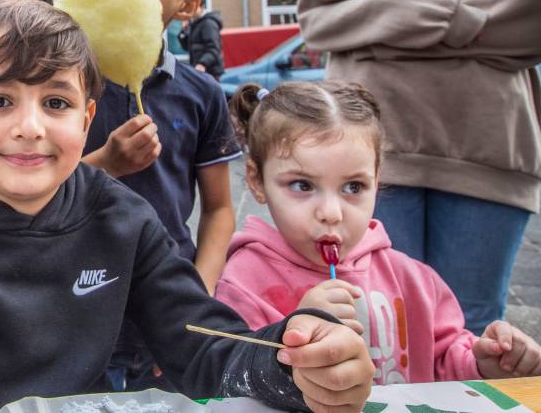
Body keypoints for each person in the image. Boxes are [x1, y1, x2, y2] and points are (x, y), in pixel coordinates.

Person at [0, 0, 374, 413]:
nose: (29, 127)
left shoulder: (123, 217)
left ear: (85, 121)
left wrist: (297, 362)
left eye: (55, 102)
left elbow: (208, 348)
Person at [296, 0, 541, 334]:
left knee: (473, 334)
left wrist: (388, 20)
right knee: (381, 330)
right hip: (372, 158)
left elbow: (533, 21)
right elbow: (319, 19)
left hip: (488, 155)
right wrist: (467, 20)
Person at [216, 81, 541, 384]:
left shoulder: (412, 279)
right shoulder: (244, 283)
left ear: (377, 178)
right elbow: (235, 377)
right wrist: (295, 335)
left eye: (353, 186)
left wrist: (484, 366)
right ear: (257, 182)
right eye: (302, 185)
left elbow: (443, 363)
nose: (331, 212)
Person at [85, 0, 242, 390]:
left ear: (189, 6)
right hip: (79, 300)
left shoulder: (201, 94)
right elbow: (36, 186)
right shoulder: (64, 81)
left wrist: (195, 296)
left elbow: (219, 210)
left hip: (165, 302)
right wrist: (106, 164)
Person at [179, 1, 224, 79]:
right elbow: (187, 47)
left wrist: (202, 63)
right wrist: (183, 30)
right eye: (189, 9)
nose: (191, 12)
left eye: (194, 8)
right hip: (199, 70)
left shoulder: (208, 23)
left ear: (202, 7)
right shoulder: (195, 24)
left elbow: (214, 48)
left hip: (209, 71)